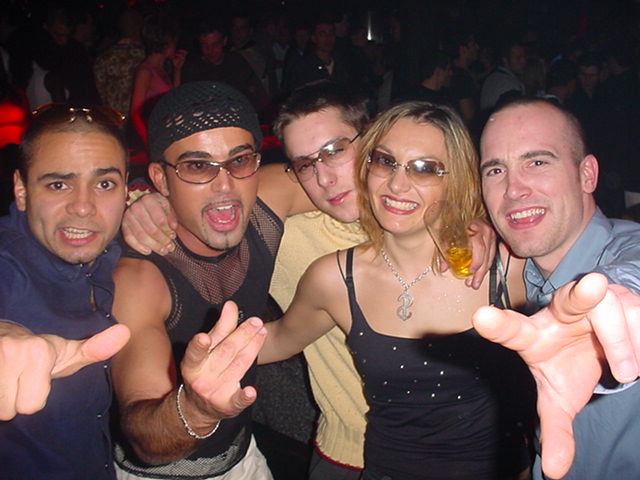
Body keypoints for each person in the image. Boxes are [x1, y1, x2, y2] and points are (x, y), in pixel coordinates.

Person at [120, 83, 499, 479]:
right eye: (304, 164)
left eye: (335, 151)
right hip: (346, 451)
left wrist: (474, 220)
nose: (325, 179)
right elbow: (210, 198)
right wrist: (141, 200)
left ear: (373, 141)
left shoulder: (442, 225)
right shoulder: (284, 227)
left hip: (463, 455)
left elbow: (458, 183)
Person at [260, 101, 536, 480]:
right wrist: (191, 350)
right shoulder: (334, 278)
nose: (397, 184)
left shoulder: (507, 267)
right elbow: (278, 340)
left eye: (424, 168)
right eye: (385, 162)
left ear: (456, 179)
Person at [110, 81, 316, 480]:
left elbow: (365, 180)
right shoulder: (139, 279)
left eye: (239, 160)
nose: (225, 186)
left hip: (243, 456)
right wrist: (196, 411)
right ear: (160, 179)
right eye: (197, 166)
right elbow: (144, 435)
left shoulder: (267, 198)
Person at [476, 97, 640, 479]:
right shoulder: (517, 271)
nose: (513, 189)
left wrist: (608, 304)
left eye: (537, 162)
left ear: (587, 175)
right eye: (495, 170)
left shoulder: (626, 249)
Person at [0, 103, 131, 479]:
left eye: (104, 184)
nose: (84, 207)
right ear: (21, 191)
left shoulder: (113, 245)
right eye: (58, 184)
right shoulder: (9, 266)